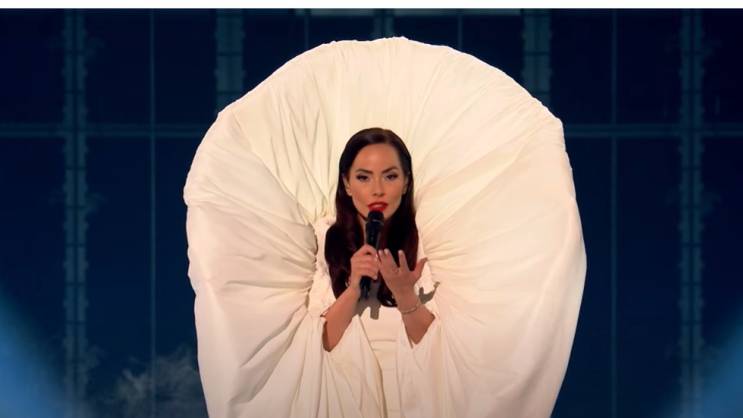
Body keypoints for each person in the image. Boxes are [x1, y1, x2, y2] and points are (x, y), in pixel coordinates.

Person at [319, 127, 434, 417]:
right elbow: (321, 343)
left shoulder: (427, 241)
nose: (378, 190)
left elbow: (437, 349)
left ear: (406, 183)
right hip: (342, 396)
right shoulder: (322, 241)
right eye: (363, 177)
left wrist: (405, 294)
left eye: (390, 176)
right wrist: (353, 289)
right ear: (346, 184)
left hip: (414, 396)